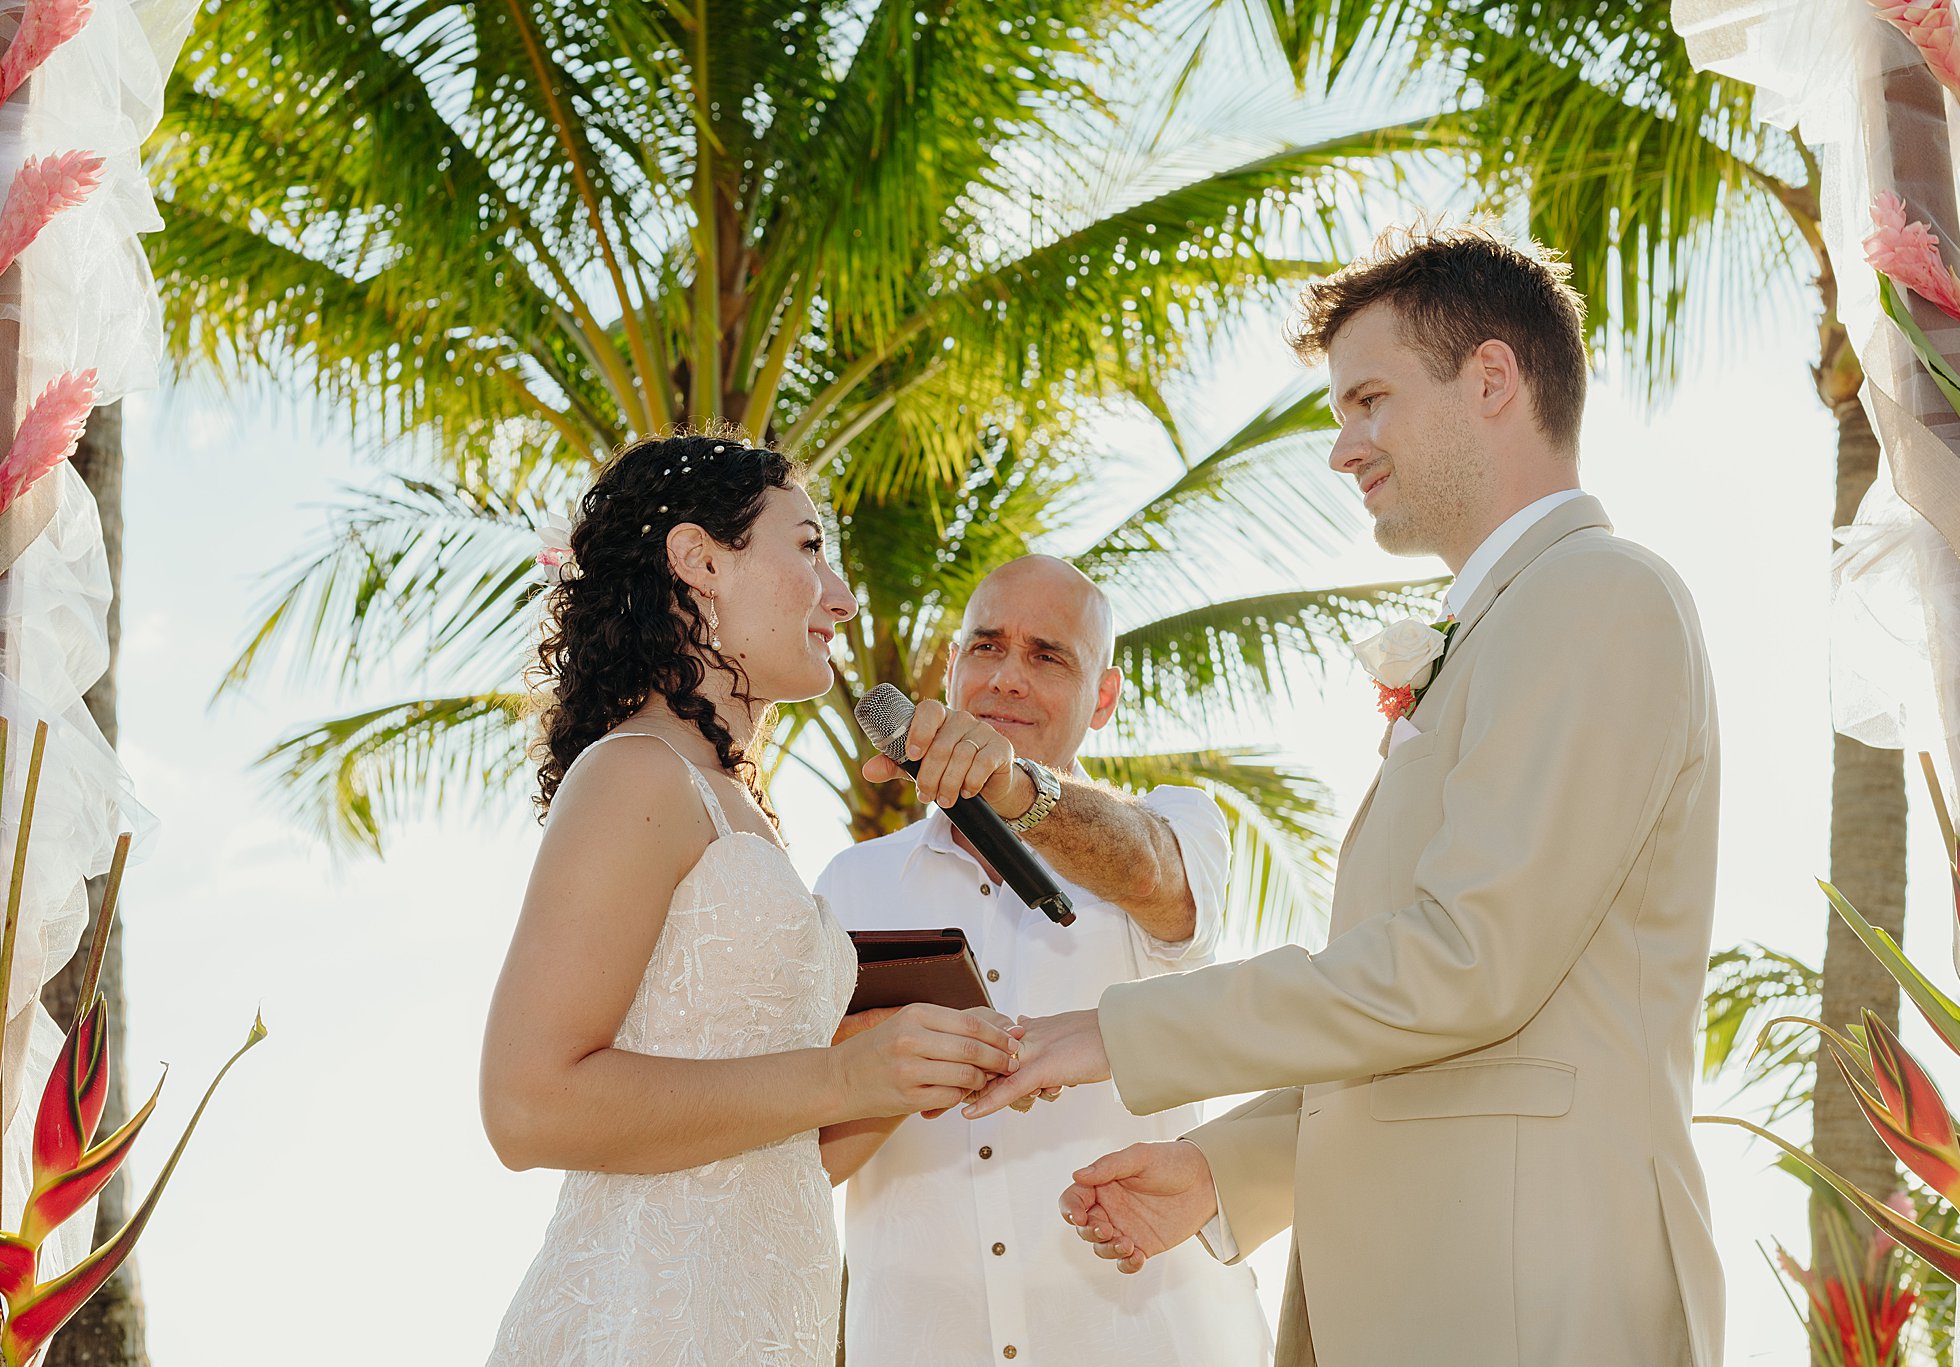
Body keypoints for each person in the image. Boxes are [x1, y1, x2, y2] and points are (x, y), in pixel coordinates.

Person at [965, 226, 1727, 1366]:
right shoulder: (1510, 620)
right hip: (1436, 1292)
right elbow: (1447, 1027)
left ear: (1488, 379)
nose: (1341, 448)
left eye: (1366, 400)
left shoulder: (1594, 594)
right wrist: (1229, 1170)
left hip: (1526, 1301)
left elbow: (1464, 964)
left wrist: (1112, 1031)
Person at [479, 431, 1020, 1367]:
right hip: (644, 1328)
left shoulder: (737, 809)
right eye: (810, 548)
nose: (843, 600)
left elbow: (774, 1154)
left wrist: (901, 1077)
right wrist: (846, 1075)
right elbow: (526, 1106)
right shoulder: (634, 774)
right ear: (699, 561)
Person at [813, 554, 1269, 1366]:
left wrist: (1018, 791)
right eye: (986, 647)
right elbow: (806, 1133)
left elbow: (1157, 877)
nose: (1008, 679)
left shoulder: (1176, 825)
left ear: (1104, 698)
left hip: (1150, 1342)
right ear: (952, 670)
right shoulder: (851, 883)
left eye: (1047, 655)